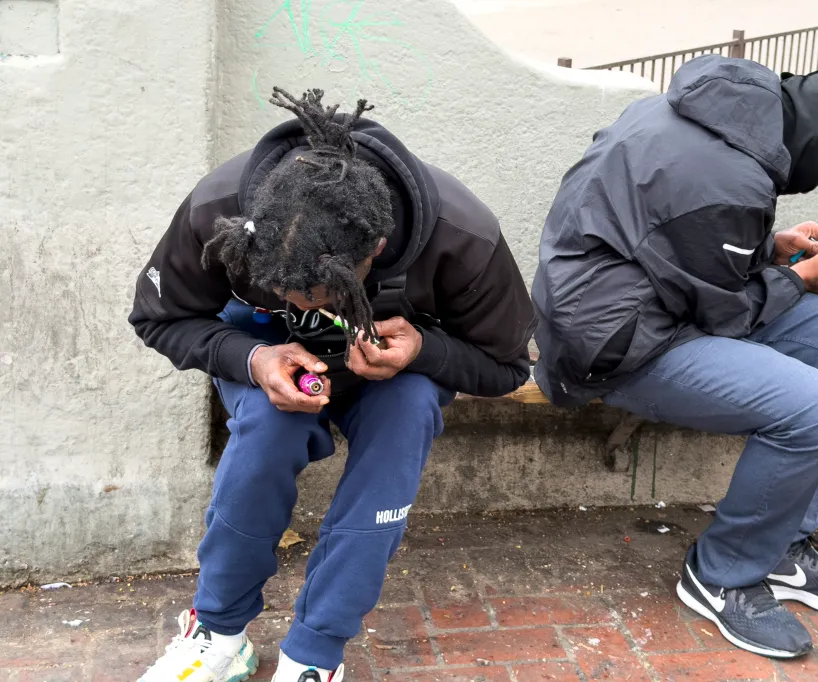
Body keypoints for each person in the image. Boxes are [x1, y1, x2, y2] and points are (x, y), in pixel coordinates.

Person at [129, 87, 536, 682]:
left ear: (374, 249)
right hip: (267, 360)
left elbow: (508, 366)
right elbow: (156, 317)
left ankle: (314, 653)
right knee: (269, 426)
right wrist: (253, 358)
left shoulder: (463, 235)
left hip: (396, 376)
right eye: (284, 293)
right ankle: (217, 631)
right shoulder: (218, 209)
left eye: (318, 299)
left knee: (407, 415)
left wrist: (425, 349)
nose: (303, 309)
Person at [532, 55, 818, 659]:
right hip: (612, 342)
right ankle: (722, 573)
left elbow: (682, 248)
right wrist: (805, 276)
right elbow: (722, 312)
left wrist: (770, 249)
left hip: (645, 305)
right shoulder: (731, 178)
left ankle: (782, 547)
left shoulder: (714, 119)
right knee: (816, 409)